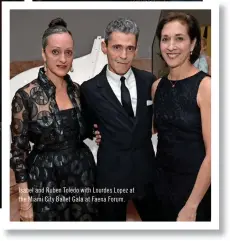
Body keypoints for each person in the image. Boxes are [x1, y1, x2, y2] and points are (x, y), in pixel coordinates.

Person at [10, 18, 97, 221]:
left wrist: (97, 132)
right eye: (55, 52)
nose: (63, 59)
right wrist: (24, 199)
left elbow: (82, 130)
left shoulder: (76, 89)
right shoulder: (25, 96)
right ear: (44, 53)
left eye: (68, 52)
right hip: (45, 180)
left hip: (82, 176)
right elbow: (18, 152)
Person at [81, 17, 159, 221]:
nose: (123, 56)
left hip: (146, 172)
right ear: (104, 46)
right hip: (111, 176)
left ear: (136, 48)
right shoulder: (89, 89)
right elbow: (86, 125)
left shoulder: (148, 81)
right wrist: (95, 133)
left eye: (130, 48)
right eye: (116, 47)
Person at [152, 12, 211, 221]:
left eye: (179, 38)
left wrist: (192, 205)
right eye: (165, 39)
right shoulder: (157, 87)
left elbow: (215, 154)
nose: (171, 46)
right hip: (160, 186)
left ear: (193, 43)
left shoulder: (207, 87)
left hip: (194, 190)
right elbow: (157, 130)